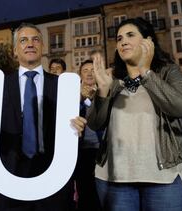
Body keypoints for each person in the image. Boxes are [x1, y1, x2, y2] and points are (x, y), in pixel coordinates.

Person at [87, 18, 182, 211]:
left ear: (148, 42)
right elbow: (95, 123)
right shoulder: (111, 79)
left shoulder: (167, 71)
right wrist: (103, 91)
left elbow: (181, 107)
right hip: (115, 180)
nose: (123, 41)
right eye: (119, 38)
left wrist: (146, 72)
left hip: (168, 179)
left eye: (131, 35)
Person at [0, 23, 86, 211]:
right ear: (15, 50)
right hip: (9, 176)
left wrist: (77, 128)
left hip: (54, 177)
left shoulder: (62, 86)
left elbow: (72, 130)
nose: (30, 44)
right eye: (23, 40)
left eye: (35, 39)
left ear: (42, 47)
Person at [73, 59, 102, 211]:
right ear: (80, 75)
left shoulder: (105, 92)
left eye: (93, 70)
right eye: (85, 70)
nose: (90, 73)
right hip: (82, 151)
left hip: (102, 150)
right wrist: (81, 98)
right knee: (85, 193)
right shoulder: (73, 96)